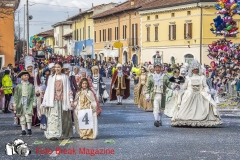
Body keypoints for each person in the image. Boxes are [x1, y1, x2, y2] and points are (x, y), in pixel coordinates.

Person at [171, 60, 222, 127]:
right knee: (185, 106)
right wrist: (179, 87)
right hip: (190, 95)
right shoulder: (188, 77)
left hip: (200, 94)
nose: (195, 70)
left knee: (207, 102)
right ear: (191, 69)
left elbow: (205, 86)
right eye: (194, 69)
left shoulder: (202, 77)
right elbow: (185, 86)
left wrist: (207, 91)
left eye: (197, 69)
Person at [41, 62, 73, 140]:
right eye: (55, 67)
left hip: (63, 101)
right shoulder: (51, 78)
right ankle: (53, 134)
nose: (57, 69)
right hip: (53, 100)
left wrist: (71, 100)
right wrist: (45, 101)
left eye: (58, 67)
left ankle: (63, 133)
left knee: (63, 117)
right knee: (53, 117)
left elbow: (69, 89)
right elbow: (48, 90)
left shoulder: (65, 77)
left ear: (61, 68)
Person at [146, 62, 171, 127]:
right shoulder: (151, 77)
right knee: (156, 107)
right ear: (154, 68)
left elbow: (169, 84)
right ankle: (156, 120)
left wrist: (174, 86)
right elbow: (148, 87)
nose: (157, 69)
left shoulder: (164, 76)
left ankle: (159, 120)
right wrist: (147, 95)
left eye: (159, 67)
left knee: (161, 109)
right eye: (156, 67)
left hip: (162, 95)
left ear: (161, 68)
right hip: (154, 95)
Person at [13, 70, 36, 136]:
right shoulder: (18, 86)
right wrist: (14, 104)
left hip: (29, 102)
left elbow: (33, 95)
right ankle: (23, 130)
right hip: (20, 102)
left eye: (27, 75)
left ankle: (29, 129)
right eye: (25, 75)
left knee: (28, 115)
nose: (26, 76)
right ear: (22, 77)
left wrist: (34, 102)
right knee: (21, 116)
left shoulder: (31, 85)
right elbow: (16, 96)